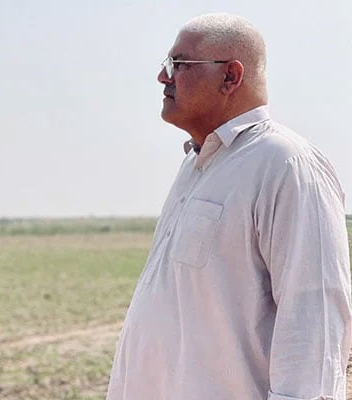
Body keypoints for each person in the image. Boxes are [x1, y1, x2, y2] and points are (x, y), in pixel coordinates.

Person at [106, 13, 352, 400]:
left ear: (231, 77)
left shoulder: (286, 163)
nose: (163, 77)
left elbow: (314, 318)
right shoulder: (197, 163)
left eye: (179, 64)